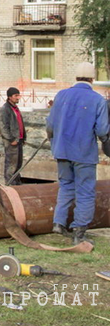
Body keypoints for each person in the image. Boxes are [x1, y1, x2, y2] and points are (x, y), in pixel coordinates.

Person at [47, 62, 109, 245]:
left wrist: (55, 143)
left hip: (61, 150)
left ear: (76, 77)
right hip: (84, 153)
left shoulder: (61, 95)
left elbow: (50, 125)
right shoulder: (97, 100)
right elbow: (102, 130)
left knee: (66, 185)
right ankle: (79, 230)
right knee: (85, 191)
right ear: (92, 78)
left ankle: (58, 223)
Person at [0, 87, 26, 186]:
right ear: (10, 97)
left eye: (18, 95)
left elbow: (19, 123)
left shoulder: (15, 108)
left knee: (18, 164)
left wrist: (23, 138)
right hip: (12, 142)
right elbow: (3, 127)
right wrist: (11, 139)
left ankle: (17, 183)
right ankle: (10, 184)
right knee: (11, 164)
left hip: (18, 140)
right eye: (16, 96)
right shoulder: (5, 109)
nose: (18, 98)